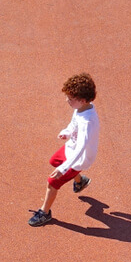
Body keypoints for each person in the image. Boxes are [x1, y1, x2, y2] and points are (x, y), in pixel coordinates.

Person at [28, 73, 100, 227]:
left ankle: (45, 213)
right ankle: (80, 182)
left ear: (82, 100)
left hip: (78, 159)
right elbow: (73, 123)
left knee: (52, 182)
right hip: (71, 150)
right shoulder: (81, 108)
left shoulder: (87, 122)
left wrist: (64, 168)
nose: (66, 100)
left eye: (70, 98)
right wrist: (67, 131)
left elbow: (81, 148)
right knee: (54, 160)